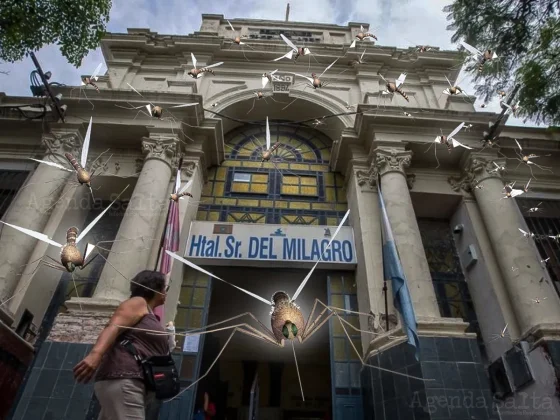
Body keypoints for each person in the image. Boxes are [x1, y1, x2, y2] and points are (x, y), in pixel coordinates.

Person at [73, 270, 171, 420]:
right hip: (125, 378)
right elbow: (114, 326)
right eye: (165, 288)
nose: (166, 292)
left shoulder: (148, 312)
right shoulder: (138, 302)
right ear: (155, 288)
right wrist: (95, 355)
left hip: (125, 380)